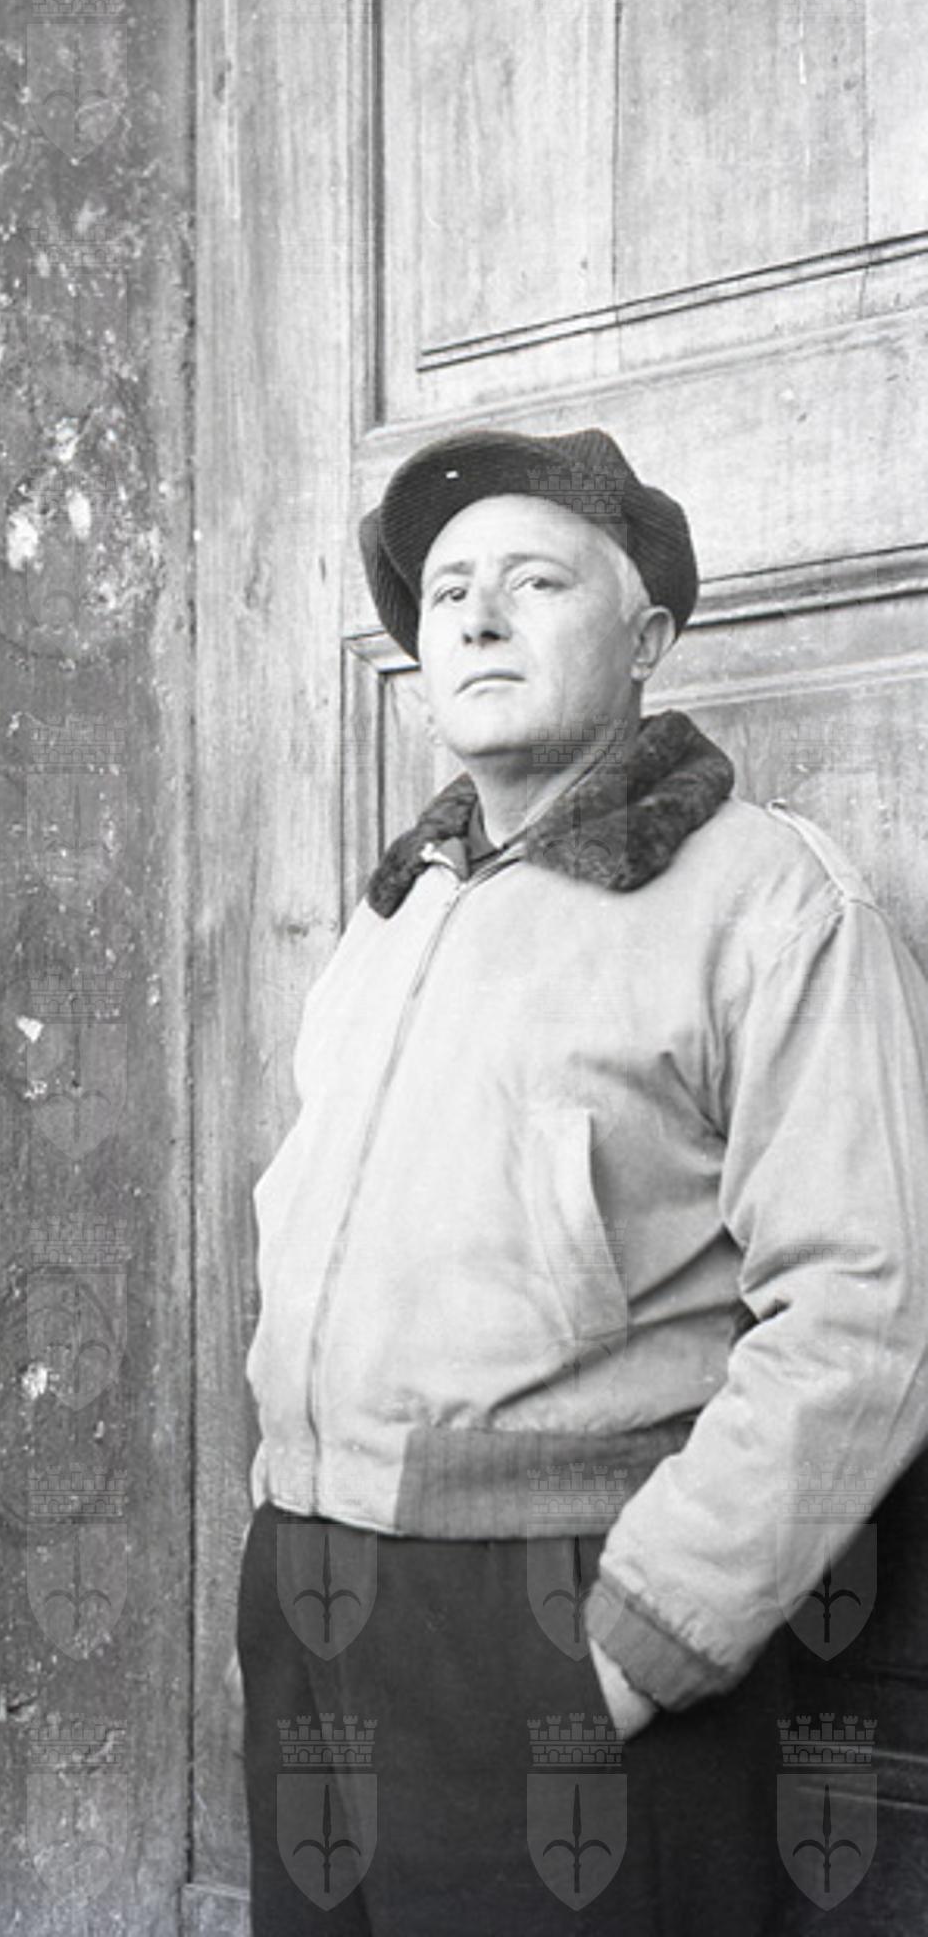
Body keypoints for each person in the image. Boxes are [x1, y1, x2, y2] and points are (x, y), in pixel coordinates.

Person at [237, 429, 928, 1934]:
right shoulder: (394, 916)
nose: (476, 619)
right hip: (315, 1604)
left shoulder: (768, 900)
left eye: (535, 583)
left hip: (561, 1606)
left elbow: (870, 1312)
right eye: (446, 594)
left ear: (646, 639)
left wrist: (641, 1638)